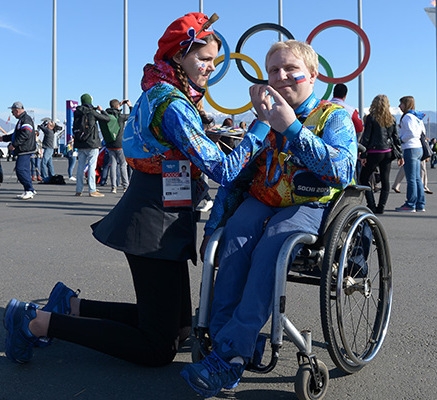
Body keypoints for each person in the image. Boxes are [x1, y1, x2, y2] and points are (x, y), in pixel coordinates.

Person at [2, 12, 271, 367]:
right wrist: (262, 126)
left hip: (165, 213)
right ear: (179, 56)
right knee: (157, 349)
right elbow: (222, 170)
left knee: (179, 327)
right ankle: (36, 322)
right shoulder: (172, 103)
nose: (210, 68)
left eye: (214, 61)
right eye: (204, 59)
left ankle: (71, 306)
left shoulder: (162, 91)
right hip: (152, 221)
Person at [180, 39, 357, 397]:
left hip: (310, 203)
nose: (281, 76)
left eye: (290, 69)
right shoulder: (262, 119)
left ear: (312, 74)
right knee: (234, 240)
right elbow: (237, 177)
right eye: (274, 70)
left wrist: (292, 128)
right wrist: (214, 226)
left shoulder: (333, 116)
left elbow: (341, 170)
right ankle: (224, 340)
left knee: (272, 246)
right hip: (262, 197)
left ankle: (230, 353)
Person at [358, 94, 403, 214]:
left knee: (364, 178)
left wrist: (363, 154)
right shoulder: (391, 119)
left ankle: (371, 204)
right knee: (385, 180)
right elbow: (395, 137)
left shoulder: (370, 118)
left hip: (374, 152)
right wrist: (400, 155)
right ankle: (381, 207)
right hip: (387, 151)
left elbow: (366, 138)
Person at [74, 93, 110, 198]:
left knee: (80, 166)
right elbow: (106, 119)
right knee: (91, 166)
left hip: (80, 142)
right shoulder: (92, 112)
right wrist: (101, 110)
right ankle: (92, 189)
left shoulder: (77, 112)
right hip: (92, 143)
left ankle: (79, 190)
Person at [395, 96, 426, 212]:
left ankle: (410, 203)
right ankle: (420, 203)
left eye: (401, 104)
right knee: (417, 178)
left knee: (411, 178)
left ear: (406, 104)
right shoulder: (417, 116)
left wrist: (401, 139)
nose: (399, 106)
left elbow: (411, 133)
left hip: (410, 148)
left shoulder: (407, 117)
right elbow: (422, 132)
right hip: (418, 148)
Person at [0, 101, 37, 199]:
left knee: (20, 170)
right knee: (25, 170)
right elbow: (16, 135)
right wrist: (4, 138)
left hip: (25, 149)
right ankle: (29, 190)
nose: (12, 114)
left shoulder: (26, 119)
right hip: (24, 149)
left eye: (13, 112)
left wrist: (14, 144)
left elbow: (25, 134)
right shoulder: (22, 120)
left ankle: (29, 189)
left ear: (17, 110)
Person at [101, 99, 132, 193]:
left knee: (113, 165)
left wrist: (119, 105)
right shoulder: (120, 117)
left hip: (110, 144)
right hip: (120, 144)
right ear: (118, 106)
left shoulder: (108, 115)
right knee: (123, 165)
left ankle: (113, 187)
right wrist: (129, 106)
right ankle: (125, 186)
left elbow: (108, 112)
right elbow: (132, 115)